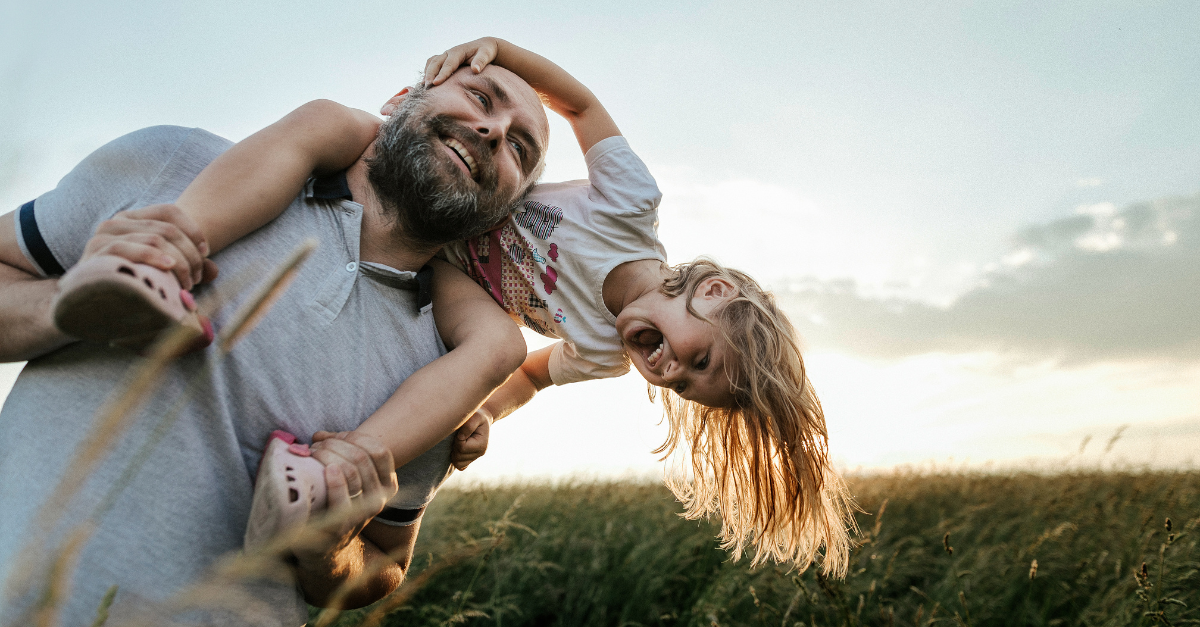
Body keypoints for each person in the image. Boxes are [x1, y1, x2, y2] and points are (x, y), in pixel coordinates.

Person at [78, 37, 856, 575]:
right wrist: (502, 54)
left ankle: (333, 475)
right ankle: (166, 248)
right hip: (440, 193)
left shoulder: (606, 353)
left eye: (682, 384)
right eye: (698, 356)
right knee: (326, 119)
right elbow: (581, 104)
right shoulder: (630, 206)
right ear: (712, 292)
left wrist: (478, 417)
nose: (667, 367)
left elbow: (527, 377)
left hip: (452, 266)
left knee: (497, 350)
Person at [0, 62, 549, 626]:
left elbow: (386, 562)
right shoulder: (176, 166)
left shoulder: (450, 371)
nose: (494, 132)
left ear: (509, 206)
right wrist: (70, 302)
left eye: (521, 149)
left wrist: (329, 551)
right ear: (402, 98)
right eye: (480, 97)